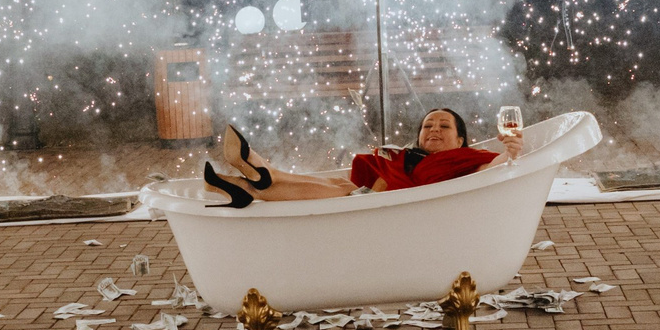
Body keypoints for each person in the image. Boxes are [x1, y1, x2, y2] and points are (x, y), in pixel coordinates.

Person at [201, 109, 504, 207]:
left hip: (399, 212)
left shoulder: (467, 158)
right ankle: (249, 183)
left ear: (461, 140)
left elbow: (493, 167)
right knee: (337, 182)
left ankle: (258, 175)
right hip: (384, 203)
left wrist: (511, 150)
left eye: (444, 126)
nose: (434, 129)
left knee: (345, 190)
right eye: (428, 125)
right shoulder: (408, 155)